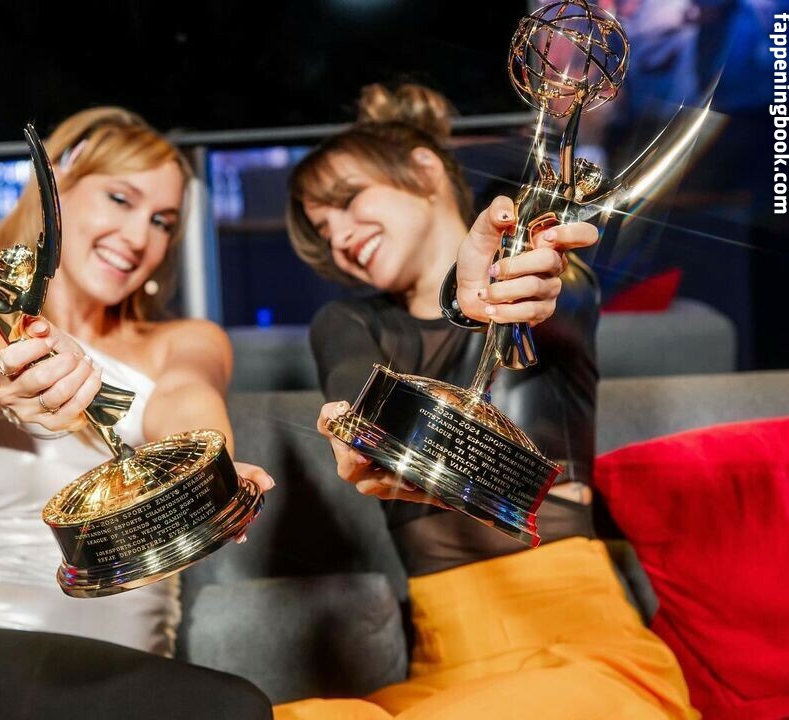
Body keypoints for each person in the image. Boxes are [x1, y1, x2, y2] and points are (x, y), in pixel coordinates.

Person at [273, 84, 696, 719]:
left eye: (348, 200)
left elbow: (546, 298)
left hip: (581, 649)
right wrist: (353, 429)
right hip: (443, 669)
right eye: (324, 231)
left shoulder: (550, 276)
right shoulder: (346, 322)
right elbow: (357, 390)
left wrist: (480, 296)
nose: (340, 239)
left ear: (423, 169)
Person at [0, 107, 273, 719]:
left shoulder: (185, 341)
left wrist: (208, 473)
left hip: (123, 691)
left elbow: (186, 397)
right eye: (120, 199)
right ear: (55, 193)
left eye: (162, 221)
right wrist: (13, 372)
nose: (139, 237)